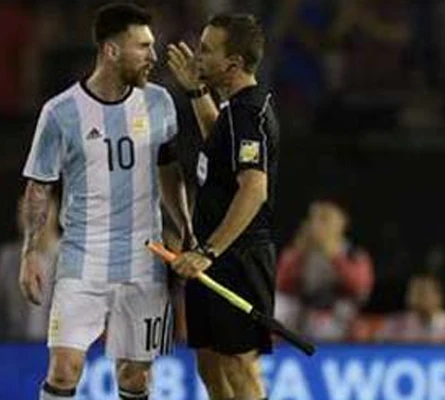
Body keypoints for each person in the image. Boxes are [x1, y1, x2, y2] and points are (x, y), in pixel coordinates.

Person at [18, 4, 193, 400]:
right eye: (142, 47)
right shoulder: (60, 112)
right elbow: (39, 186)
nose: (153, 56)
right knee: (64, 370)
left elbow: (169, 170)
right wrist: (30, 252)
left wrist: (185, 228)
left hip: (146, 260)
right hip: (82, 258)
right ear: (111, 51)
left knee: (135, 378)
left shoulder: (160, 102)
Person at [166, 13, 278, 399]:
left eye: (206, 50)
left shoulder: (249, 113)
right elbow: (220, 141)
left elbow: (254, 189)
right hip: (212, 255)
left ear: (232, 64)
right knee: (210, 363)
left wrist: (208, 252)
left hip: (237, 257)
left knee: (237, 364)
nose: (197, 56)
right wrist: (197, 92)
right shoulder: (233, 110)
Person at [274, 200, 374, 342]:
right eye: (315, 219)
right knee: (277, 305)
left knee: (332, 324)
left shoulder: (352, 253)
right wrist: (299, 253)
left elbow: (361, 290)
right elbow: (281, 285)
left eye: (325, 219)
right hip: (305, 309)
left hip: (337, 311)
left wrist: (334, 256)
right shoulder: (300, 250)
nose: (319, 225)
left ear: (341, 223)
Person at [0, 195, 59, 341]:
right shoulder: (7, 257)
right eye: (25, 213)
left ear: (53, 216)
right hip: (15, 347)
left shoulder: (70, 257)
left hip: (59, 348)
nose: (31, 220)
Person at [375, 272, 445, 344]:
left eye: (422, 293)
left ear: (439, 297)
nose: (414, 298)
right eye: (412, 292)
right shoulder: (396, 325)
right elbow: (379, 346)